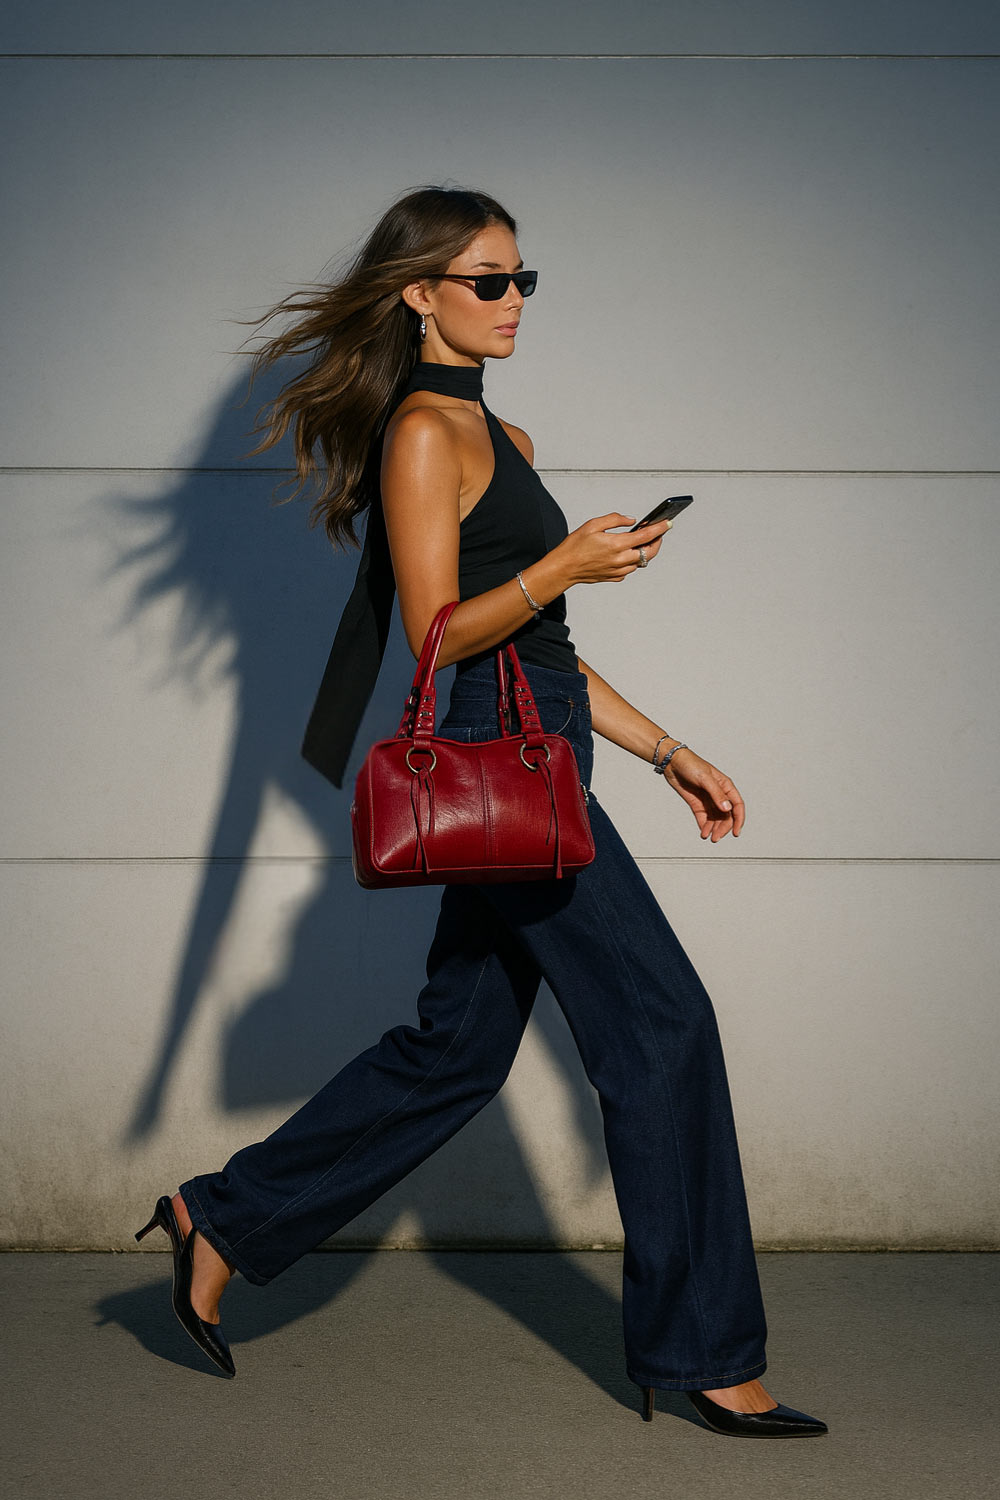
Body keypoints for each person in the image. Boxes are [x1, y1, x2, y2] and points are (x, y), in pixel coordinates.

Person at [136, 186, 826, 1438]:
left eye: (523, 280)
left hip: (539, 744)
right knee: (665, 1025)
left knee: (455, 1049)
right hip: (487, 765)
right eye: (486, 282)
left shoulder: (498, 438)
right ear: (419, 294)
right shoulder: (421, 434)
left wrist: (670, 749)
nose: (513, 303)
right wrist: (563, 563)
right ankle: (705, 1352)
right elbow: (436, 635)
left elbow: (542, 651)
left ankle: (223, 1218)